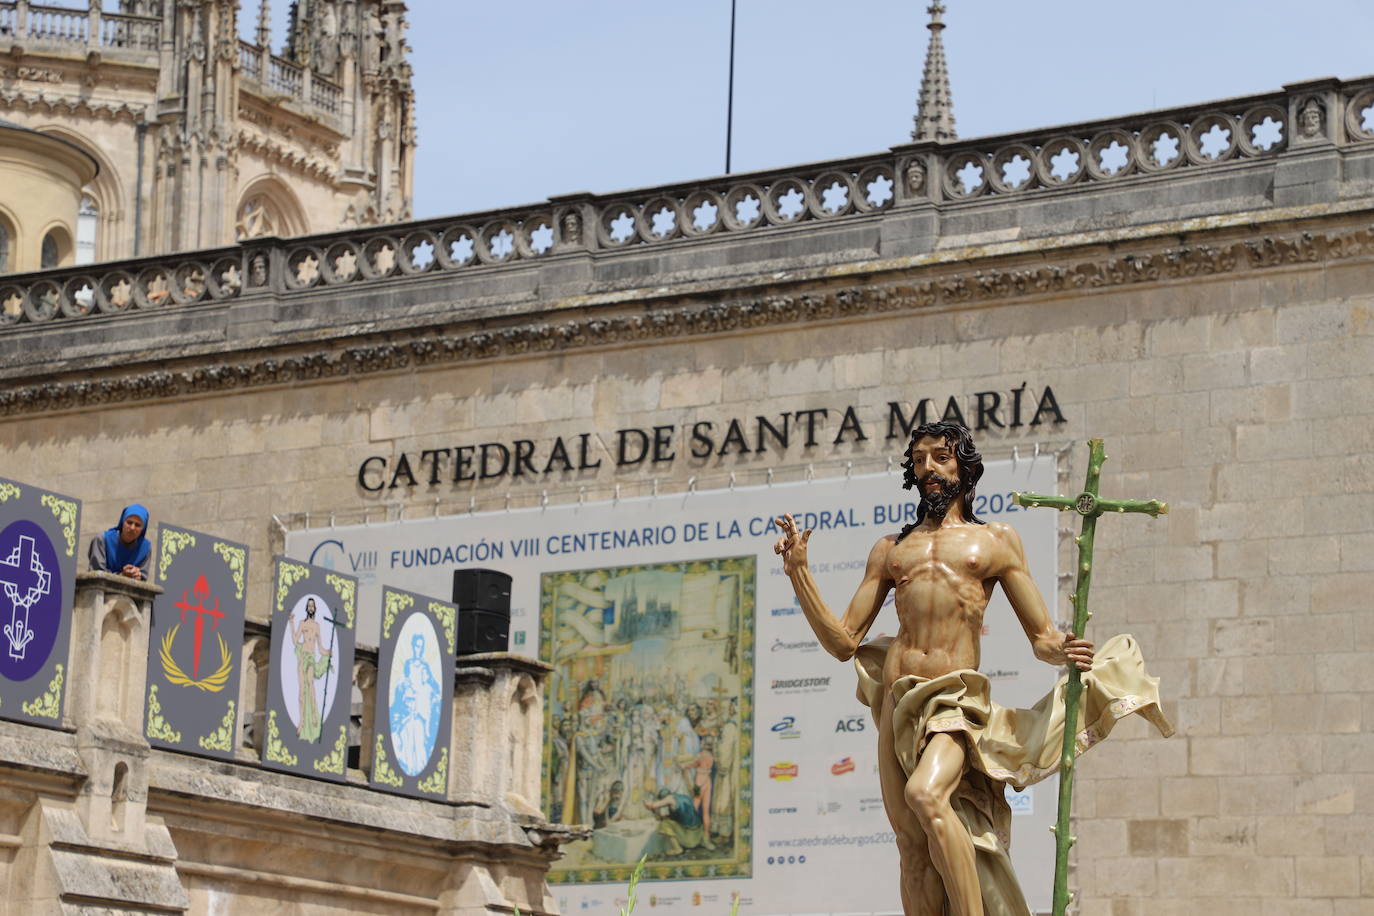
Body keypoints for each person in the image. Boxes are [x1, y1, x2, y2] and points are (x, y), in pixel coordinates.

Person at [774, 422, 1172, 916]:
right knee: (912, 849)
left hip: (952, 699)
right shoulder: (890, 550)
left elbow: (1043, 638)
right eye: (919, 461)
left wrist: (1065, 649)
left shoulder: (995, 542)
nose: (928, 470)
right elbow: (842, 642)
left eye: (940, 457)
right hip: (897, 702)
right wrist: (799, 574)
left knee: (927, 794)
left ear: (964, 464)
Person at [289, 598, 333, 742]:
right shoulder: (302, 623)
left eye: (312, 606)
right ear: (307, 608)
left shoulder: (317, 626)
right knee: (302, 691)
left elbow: (320, 647)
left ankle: (314, 715)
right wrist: (291, 623)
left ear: (315, 608)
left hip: (312, 658)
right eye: (309, 606)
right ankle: (301, 722)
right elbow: (295, 640)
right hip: (303, 658)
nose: (311, 608)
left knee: (311, 685)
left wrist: (328, 652)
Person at [88, 504, 152, 581]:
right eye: (129, 522)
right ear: (122, 522)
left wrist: (136, 575)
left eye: (137, 525)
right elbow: (96, 574)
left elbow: (143, 578)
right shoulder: (102, 539)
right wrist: (122, 576)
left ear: (143, 529)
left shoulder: (145, 547)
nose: (132, 528)